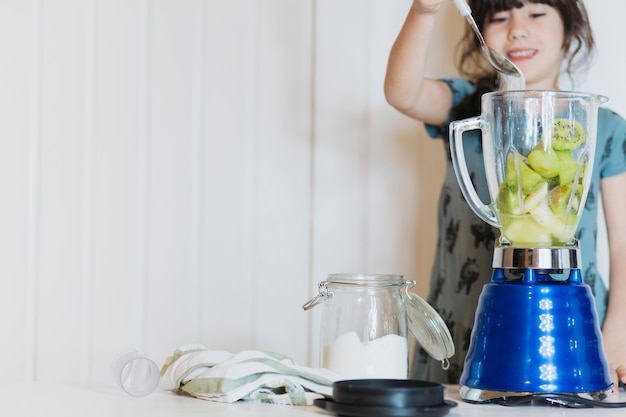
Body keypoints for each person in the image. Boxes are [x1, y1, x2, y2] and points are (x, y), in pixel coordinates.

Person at [384, 0, 626, 390]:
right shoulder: (467, 106)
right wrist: (424, 12)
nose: (516, 29)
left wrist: (616, 332)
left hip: (575, 331)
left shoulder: (603, 127)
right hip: (458, 328)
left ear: (570, 29)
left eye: (536, 13)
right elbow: (401, 92)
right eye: (499, 17)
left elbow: (623, 242)